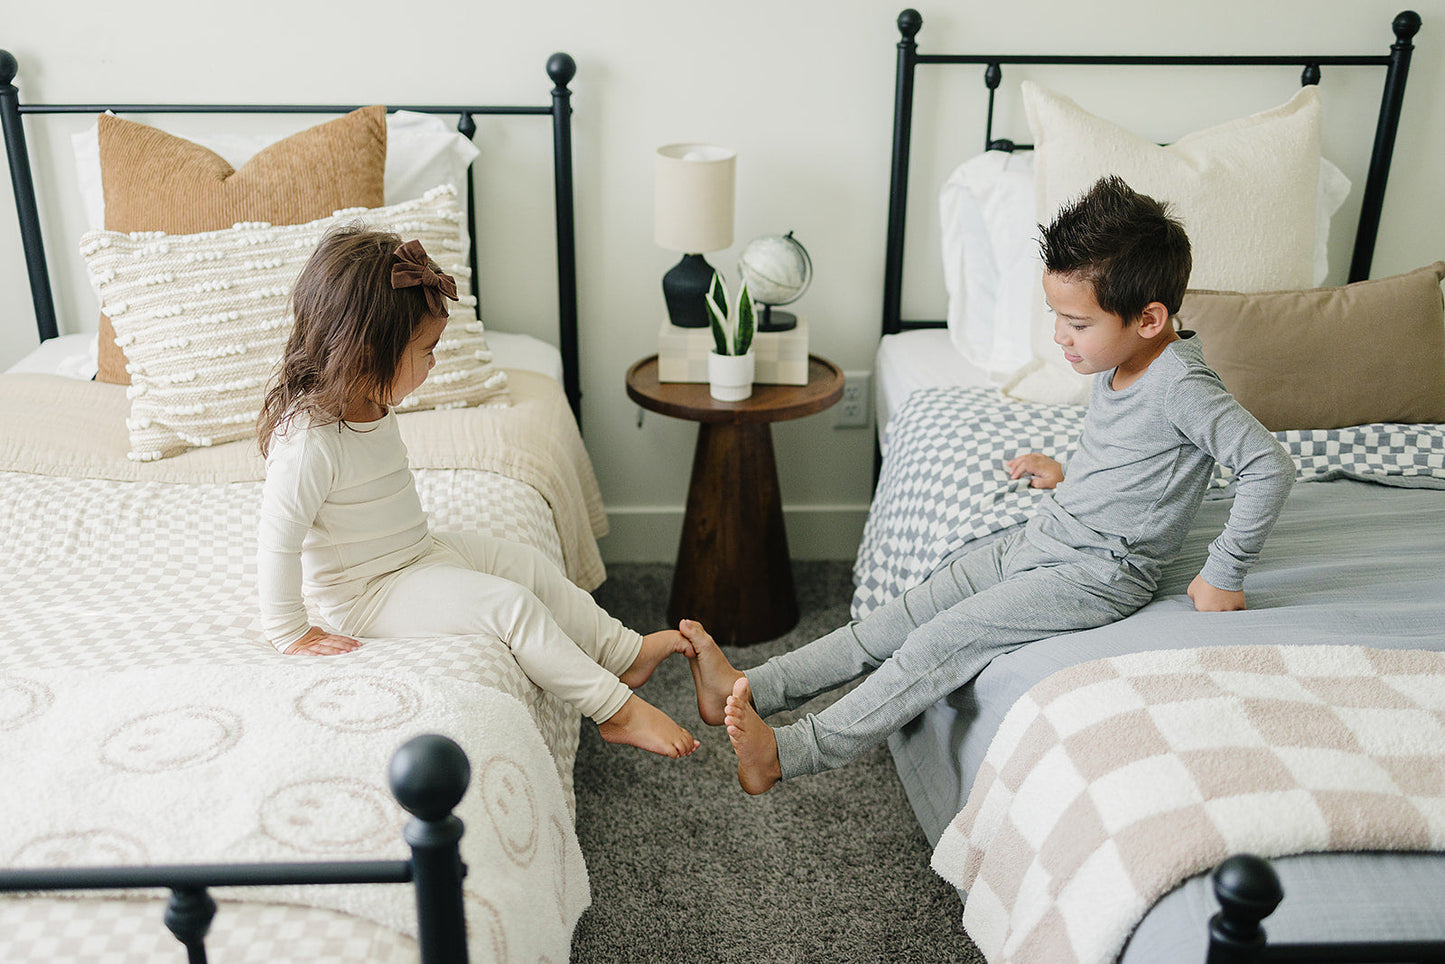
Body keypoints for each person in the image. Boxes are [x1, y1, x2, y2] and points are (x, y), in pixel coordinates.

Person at [685, 174, 1296, 793]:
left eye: (1077, 323)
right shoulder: (1117, 361)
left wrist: (1224, 572)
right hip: (1045, 538)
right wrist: (1068, 474)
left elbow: (1269, 465)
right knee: (900, 617)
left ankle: (788, 754)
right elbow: (1137, 459)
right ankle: (748, 686)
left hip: (1098, 573)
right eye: (1055, 315)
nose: (1060, 336)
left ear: (1150, 318)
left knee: (942, 642)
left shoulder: (1183, 386)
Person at [256, 225, 700, 758]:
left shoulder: (369, 397)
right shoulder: (310, 443)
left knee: (528, 565)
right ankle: (616, 710)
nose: (434, 362)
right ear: (368, 352)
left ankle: (622, 651)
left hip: (416, 554)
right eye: (426, 350)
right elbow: (278, 541)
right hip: (365, 597)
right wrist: (291, 631)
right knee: (509, 606)